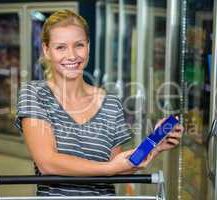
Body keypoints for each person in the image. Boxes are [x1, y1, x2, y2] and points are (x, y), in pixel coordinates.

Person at [15, 9, 183, 197]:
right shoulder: (34, 94)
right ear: (46, 50)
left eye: (79, 45)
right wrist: (110, 167)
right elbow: (48, 163)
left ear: (88, 46)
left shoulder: (110, 102)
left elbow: (118, 168)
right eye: (60, 47)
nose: (72, 55)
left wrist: (155, 145)